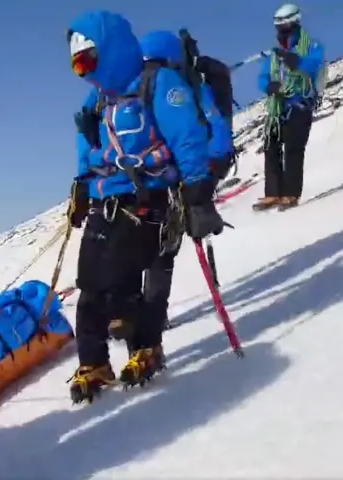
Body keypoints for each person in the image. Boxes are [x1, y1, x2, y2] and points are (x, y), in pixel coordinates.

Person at [66, 10, 225, 404]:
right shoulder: (99, 99)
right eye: (76, 65)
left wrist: (198, 194)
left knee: (122, 285)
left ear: (110, 50)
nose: (83, 72)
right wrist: (82, 186)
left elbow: (187, 136)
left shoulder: (159, 83)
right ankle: (93, 361)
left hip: (148, 196)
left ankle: (146, 347)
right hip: (106, 196)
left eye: (87, 59)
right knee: (89, 284)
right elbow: (88, 145)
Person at [138, 30, 236, 334]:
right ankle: (152, 311)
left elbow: (212, 125)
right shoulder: (170, 83)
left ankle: (153, 313)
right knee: (161, 245)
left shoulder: (176, 86)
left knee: (163, 246)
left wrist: (207, 173)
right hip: (175, 174)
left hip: (187, 175)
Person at [252, 3, 325, 212]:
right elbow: (263, 76)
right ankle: (273, 193)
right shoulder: (275, 55)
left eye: (285, 27)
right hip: (278, 108)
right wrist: (269, 86)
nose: (281, 32)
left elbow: (315, 64)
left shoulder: (311, 46)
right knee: (271, 146)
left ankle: (291, 193)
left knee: (293, 148)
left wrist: (297, 61)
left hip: (300, 104)